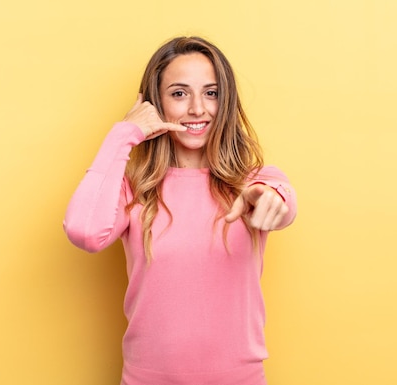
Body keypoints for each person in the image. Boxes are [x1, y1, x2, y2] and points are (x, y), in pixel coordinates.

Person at [64, 36, 297, 385]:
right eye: (179, 93)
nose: (197, 109)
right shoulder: (133, 189)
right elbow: (84, 231)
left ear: (226, 101)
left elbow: (282, 202)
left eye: (211, 93)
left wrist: (269, 198)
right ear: (155, 104)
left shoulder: (255, 182)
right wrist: (124, 134)